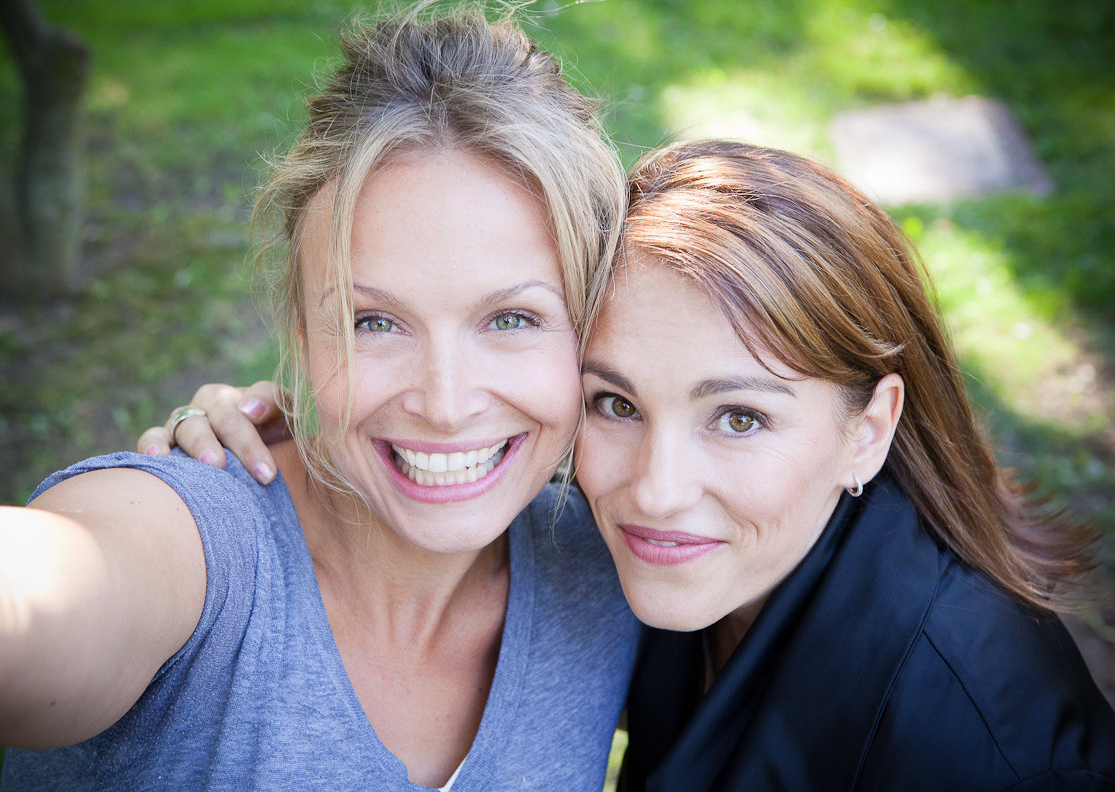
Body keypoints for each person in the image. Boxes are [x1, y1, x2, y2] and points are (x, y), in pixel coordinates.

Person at [156, 140, 1115, 790]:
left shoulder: (979, 743)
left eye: (738, 418)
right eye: (615, 403)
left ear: (868, 430)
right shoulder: (657, 563)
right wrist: (333, 419)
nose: (654, 490)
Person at [0, 5, 642, 790]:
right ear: (301, 336)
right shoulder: (200, 553)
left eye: (511, 319)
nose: (444, 404)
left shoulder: (611, 566)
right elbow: (2, 599)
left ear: (592, 330)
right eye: (373, 322)